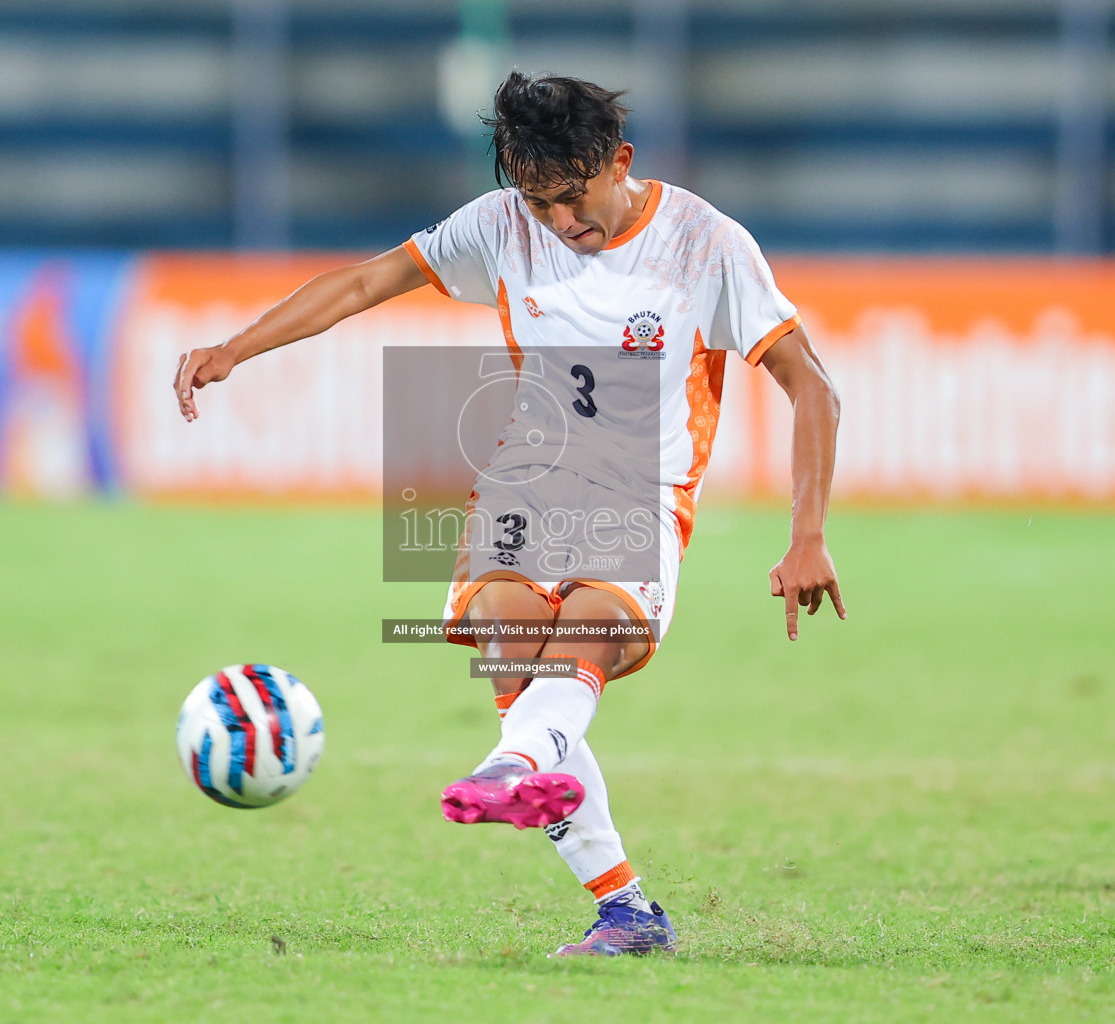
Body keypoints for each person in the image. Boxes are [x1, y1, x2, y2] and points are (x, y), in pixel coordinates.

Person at [173, 72, 844, 957]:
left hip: (643, 491)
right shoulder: (498, 226)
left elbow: (812, 386)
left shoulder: (704, 242)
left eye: (574, 196)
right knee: (508, 634)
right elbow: (364, 283)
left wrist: (807, 536)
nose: (562, 221)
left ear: (621, 162)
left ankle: (511, 770)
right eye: (539, 200)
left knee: (585, 639)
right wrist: (235, 348)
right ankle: (626, 911)